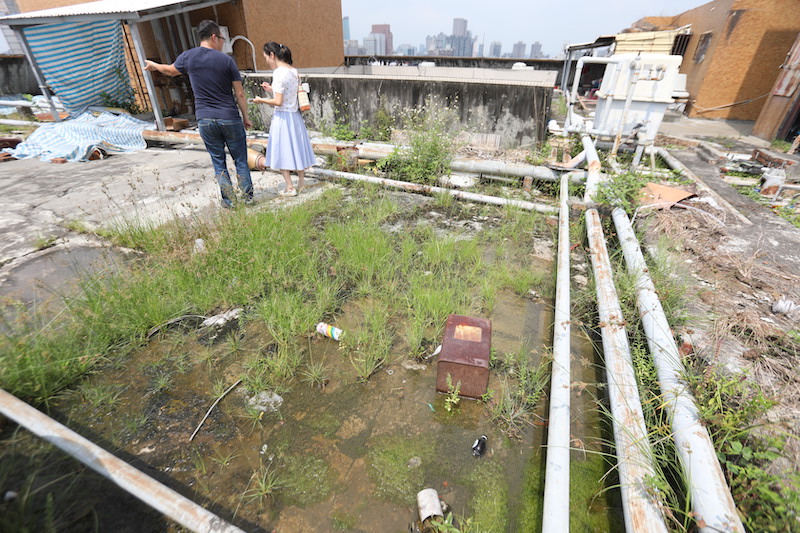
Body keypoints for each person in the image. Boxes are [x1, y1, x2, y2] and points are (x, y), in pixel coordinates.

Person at [144, 20, 253, 208]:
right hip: (229, 117)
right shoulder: (226, 60)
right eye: (221, 38)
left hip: (205, 120)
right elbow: (240, 93)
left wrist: (154, 65)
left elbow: (169, 71)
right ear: (213, 37)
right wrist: (246, 117)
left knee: (218, 162)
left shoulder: (189, 57)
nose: (222, 42)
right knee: (241, 159)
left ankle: (229, 202)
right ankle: (247, 199)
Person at [251, 42, 315, 197]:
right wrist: (272, 89)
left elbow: (278, 102)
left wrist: (261, 100)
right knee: (297, 150)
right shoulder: (293, 71)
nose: (266, 60)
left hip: (283, 117)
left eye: (266, 56)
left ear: (272, 55)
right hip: (295, 117)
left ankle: (289, 187)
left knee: (282, 151)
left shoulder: (278, 73)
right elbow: (288, 93)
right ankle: (300, 184)